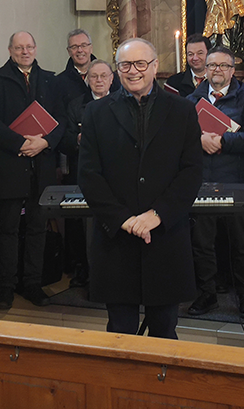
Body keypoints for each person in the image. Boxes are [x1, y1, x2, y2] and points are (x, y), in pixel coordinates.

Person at [78, 38, 203, 339]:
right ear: (117, 68)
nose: (133, 71)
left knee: (164, 329)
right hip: (116, 237)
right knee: (120, 330)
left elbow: (191, 172)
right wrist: (124, 219)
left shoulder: (182, 110)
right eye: (125, 65)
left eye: (140, 64)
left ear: (155, 66)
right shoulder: (96, 113)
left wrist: (157, 214)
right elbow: (89, 175)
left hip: (164, 234)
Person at [0, 31, 65, 310]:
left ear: (36, 49)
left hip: (42, 165)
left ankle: (32, 284)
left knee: (38, 229)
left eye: (29, 47)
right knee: (8, 229)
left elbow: (62, 120)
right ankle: (5, 288)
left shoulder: (51, 79)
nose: (25, 51)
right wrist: (20, 143)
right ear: (10, 50)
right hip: (10, 165)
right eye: (19, 47)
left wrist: (44, 142)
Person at [186, 46, 244, 319]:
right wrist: (198, 140)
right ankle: (206, 294)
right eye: (211, 66)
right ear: (204, 70)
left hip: (236, 181)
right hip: (201, 181)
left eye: (222, 66)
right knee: (202, 243)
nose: (216, 70)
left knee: (240, 244)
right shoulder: (191, 100)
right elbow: (177, 137)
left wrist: (222, 141)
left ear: (233, 70)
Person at [61, 59, 116, 287]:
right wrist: (77, 139)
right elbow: (63, 141)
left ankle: (113, 273)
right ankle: (84, 270)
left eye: (104, 76)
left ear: (112, 79)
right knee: (83, 226)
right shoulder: (76, 106)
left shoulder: (123, 102)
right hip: (84, 173)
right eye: (94, 76)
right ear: (87, 79)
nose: (99, 80)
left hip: (115, 176)